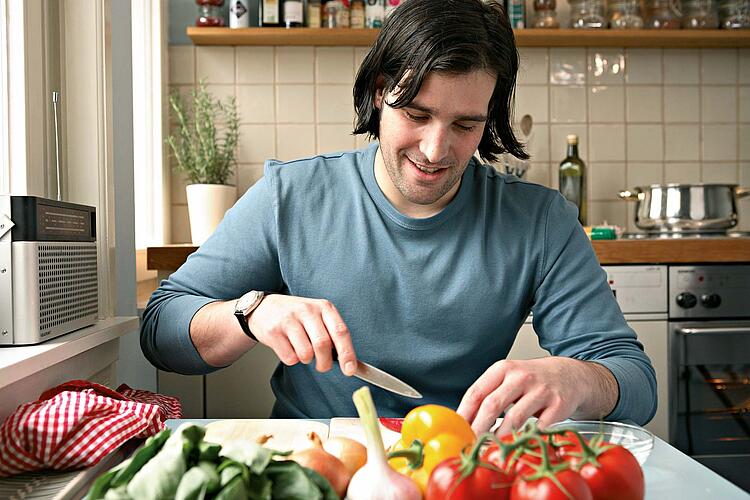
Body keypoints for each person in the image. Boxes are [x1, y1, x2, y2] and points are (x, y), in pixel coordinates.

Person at [141, 0, 657, 436]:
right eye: (417, 115)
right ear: (377, 94)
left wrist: (577, 380)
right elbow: (161, 330)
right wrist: (249, 313)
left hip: (458, 462)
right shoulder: (289, 196)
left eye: (465, 124)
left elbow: (634, 380)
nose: (436, 150)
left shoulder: (540, 220)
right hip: (319, 459)